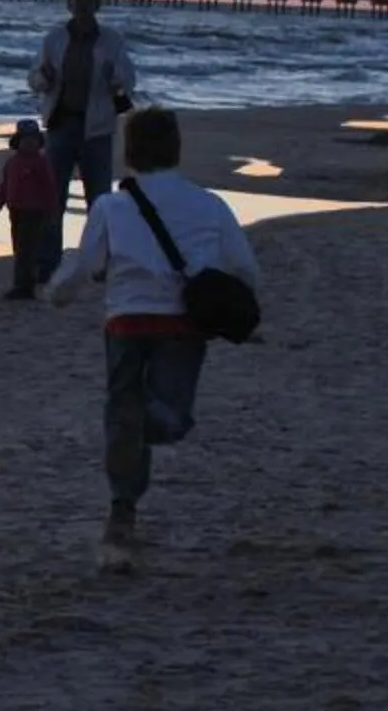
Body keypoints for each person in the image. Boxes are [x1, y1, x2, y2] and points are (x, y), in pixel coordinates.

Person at [43, 105, 259, 570]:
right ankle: (123, 505)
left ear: (130, 151)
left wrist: (56, 294)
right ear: (176, 148)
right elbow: (244, 268)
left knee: (127, 413)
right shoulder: (209, 203)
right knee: (171, 417)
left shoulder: (111, 206)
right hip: (183, 325)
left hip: (125, 321)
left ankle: (123, 495)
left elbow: (82, 267)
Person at [26, 0, 140, 271]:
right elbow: (33, 78)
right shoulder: (54, 38)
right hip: (61, 123)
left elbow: (128, 78)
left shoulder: (110, 40)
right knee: (53, 197)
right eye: (77, 0)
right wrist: (44, 77)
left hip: (97, 127)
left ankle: (101, 261)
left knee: (99, 200)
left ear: (97, 5)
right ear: (69, 5)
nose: (82, 6)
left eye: (88, 1)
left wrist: (113, 75)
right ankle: (47, 262)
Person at [0, 117, 62, 300]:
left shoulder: (41, 163)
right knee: (19, 247)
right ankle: (25, 282)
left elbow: (49, 187)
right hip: (16, 211)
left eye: (33, 139)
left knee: (27, 249)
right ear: (17, 141)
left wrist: (52, 210)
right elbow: (5, 186)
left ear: (39, 142)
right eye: (25, 139)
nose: (29, 143)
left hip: (35, 211)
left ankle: (23, 286)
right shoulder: (12, 163)